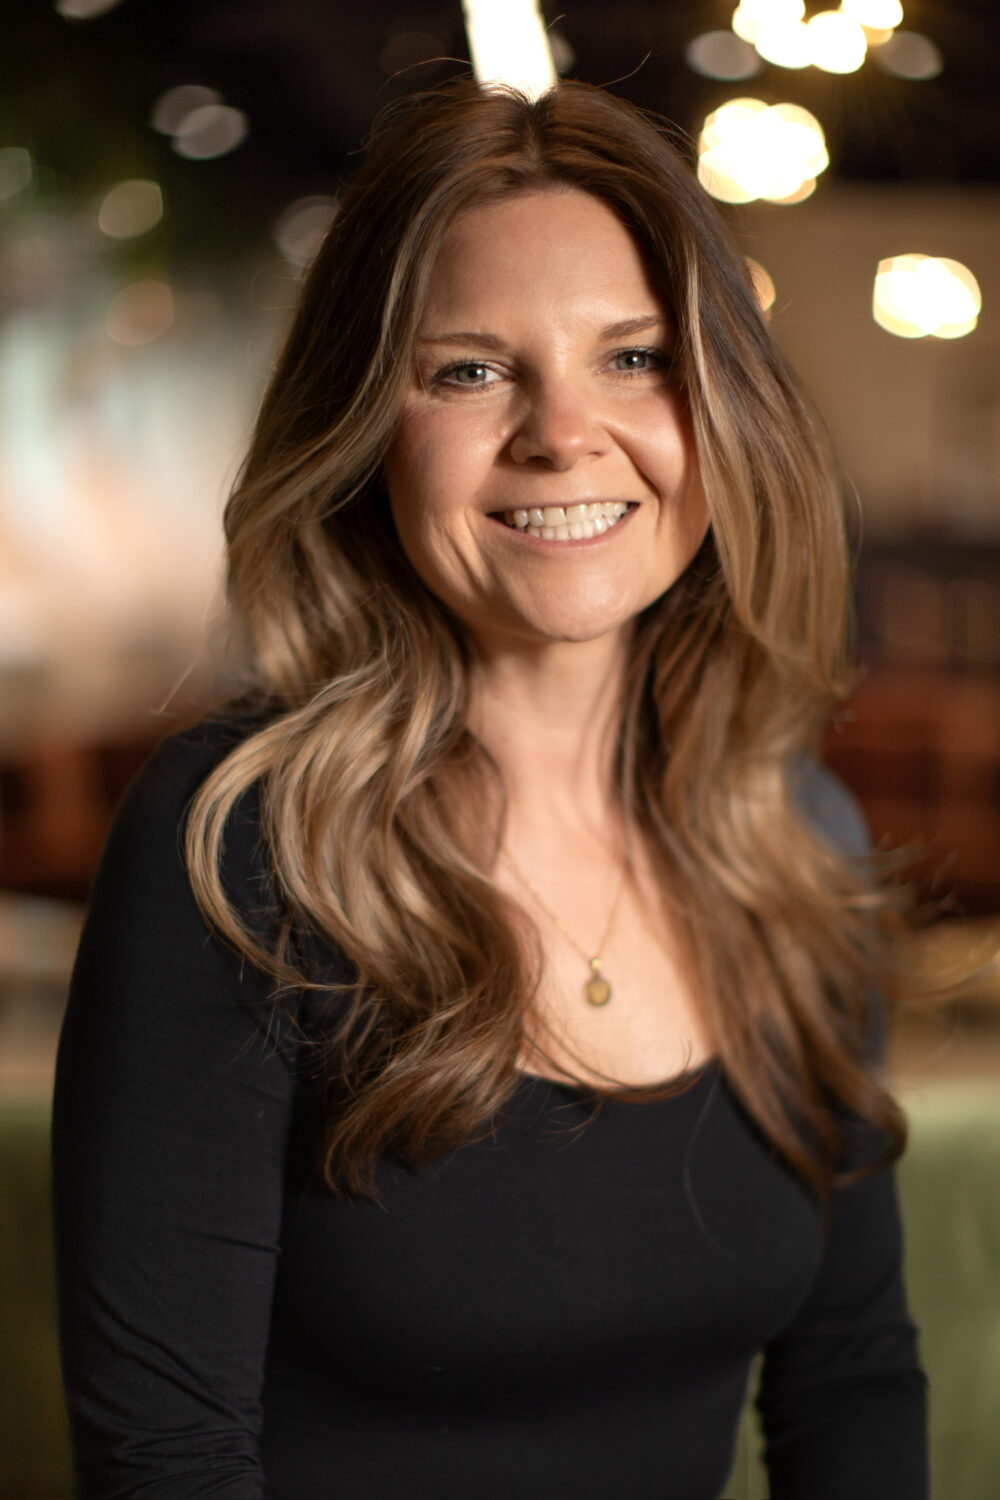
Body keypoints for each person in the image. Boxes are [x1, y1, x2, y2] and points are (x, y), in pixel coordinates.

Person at [51, 77, 929, 1499]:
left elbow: (852, 1382)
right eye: (470, 370)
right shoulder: (242, 849)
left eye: (635, 358)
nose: (562, 432)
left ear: (723, 409)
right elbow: (167, 1459)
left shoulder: (797, 849)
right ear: (365, 429)